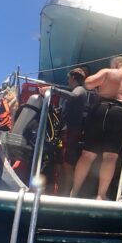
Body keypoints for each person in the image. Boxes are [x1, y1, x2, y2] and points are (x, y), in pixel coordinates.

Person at [71, 56, 122, 200]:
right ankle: (100, 195)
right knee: (110, 157)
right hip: (121, 114)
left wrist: (100, 87)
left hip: (100, 108)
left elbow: (88, 83)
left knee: (87, 155)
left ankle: (74, 192)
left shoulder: (108, 72)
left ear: (115, 64)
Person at [40, 67, 88, 196]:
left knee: (67, 164)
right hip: (65, 131)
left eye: (68, 78)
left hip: (71, 132)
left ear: (73, 78)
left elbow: (73, 96)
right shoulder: (76, 91)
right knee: (61, 163)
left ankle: (68, 193)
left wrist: (53, 89)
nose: (68, 81)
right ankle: (61, 191)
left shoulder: (80, 90)